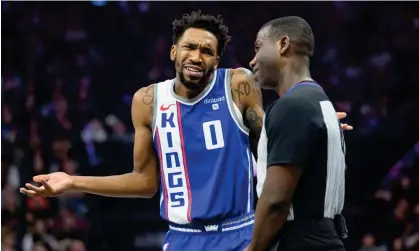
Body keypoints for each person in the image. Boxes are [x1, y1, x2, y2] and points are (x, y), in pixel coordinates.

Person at [20, 11, 351, 251]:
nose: (197, 56)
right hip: (181, 238)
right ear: (173, 52)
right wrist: (72, 182)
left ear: (217, 59)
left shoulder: (238, 84)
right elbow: (145, 182)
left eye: (207, 51)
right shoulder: (147, 101)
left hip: (240, 233)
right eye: (190, 47)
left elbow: (270, 146)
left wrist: (311, 126)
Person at [246, 16, 348, 251]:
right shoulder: (321, 101)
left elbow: (276, 202)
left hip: (299, 242)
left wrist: (253, 249)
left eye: (259, 47)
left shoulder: (292, 107)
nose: (252, 61)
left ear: (283, 44)